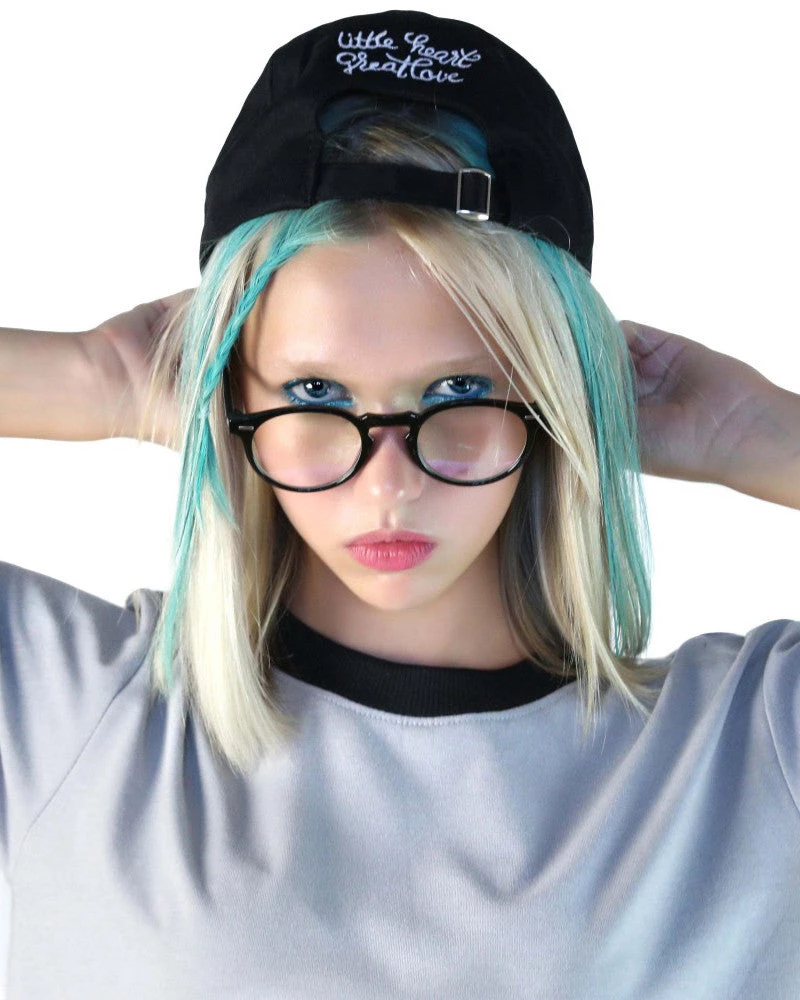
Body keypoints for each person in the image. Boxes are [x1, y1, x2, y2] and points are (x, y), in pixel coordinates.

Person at [1, 9, 799, 998]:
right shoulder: (64, 707)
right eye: (315, 393)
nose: (387, 482)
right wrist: (93, 380)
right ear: (233, 391)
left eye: (459, 393)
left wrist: (754, 433)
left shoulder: (745, 751)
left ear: (551, 392)